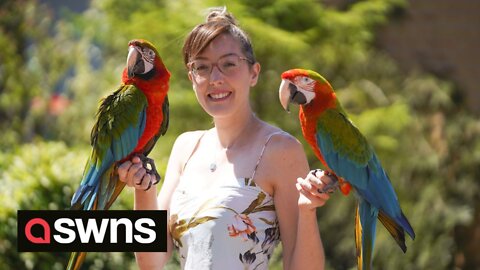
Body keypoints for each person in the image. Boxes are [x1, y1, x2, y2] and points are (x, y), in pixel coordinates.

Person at [118, 7, 333, 270]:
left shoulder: (281, 150)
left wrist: (307, 211)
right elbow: (152, 261)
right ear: (191, 78)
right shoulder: (186, 147)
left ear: (253, 73)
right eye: (202, 67)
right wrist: (143, 187)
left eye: (229, 64)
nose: (215, 78)